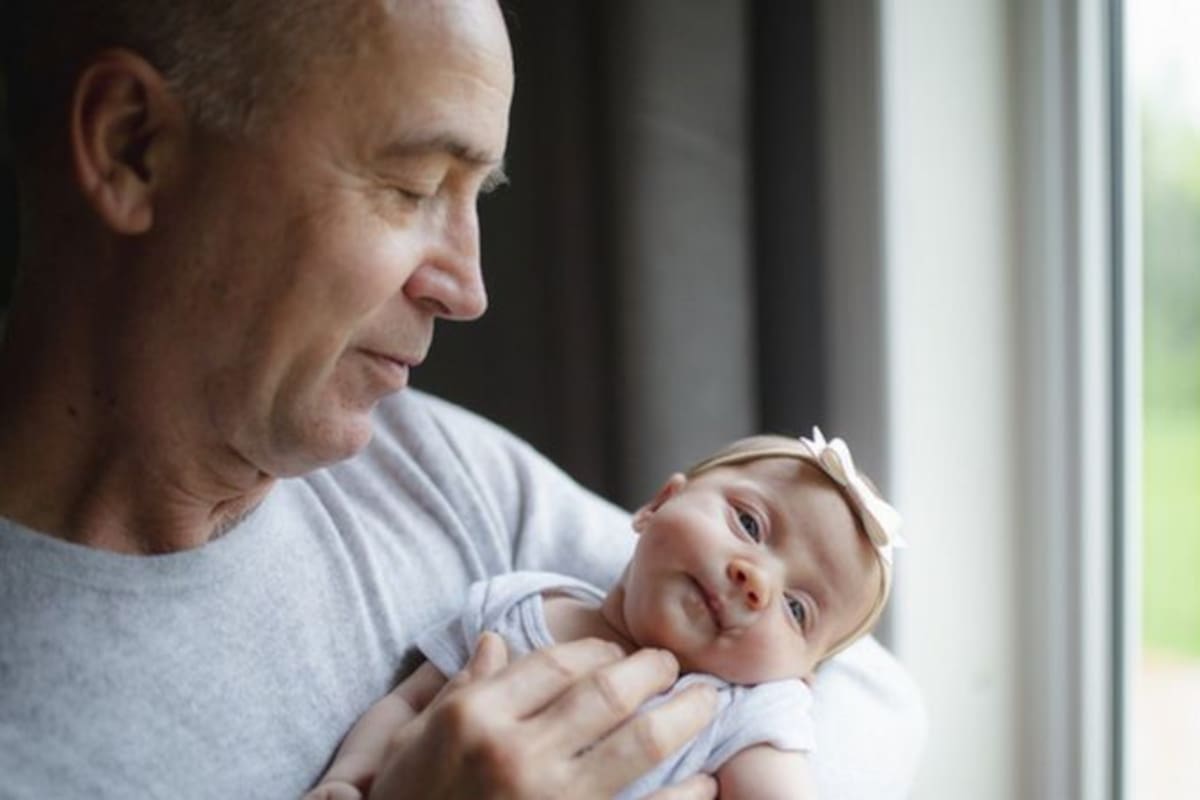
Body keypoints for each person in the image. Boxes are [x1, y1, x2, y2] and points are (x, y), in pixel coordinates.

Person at [0, 1, 925, 798]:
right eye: (411, 189)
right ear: (133, 144)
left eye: (477, 194)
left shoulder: (433, 469)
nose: (468, 288)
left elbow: (874, 699)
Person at [308, 429, 905, 800]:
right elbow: (408, 702)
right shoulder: (519, 602)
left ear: (799, 678)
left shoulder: (743, 712)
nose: (758, 582)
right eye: (749, 524)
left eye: (797, 610)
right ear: (658, 505)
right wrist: (353, 774)